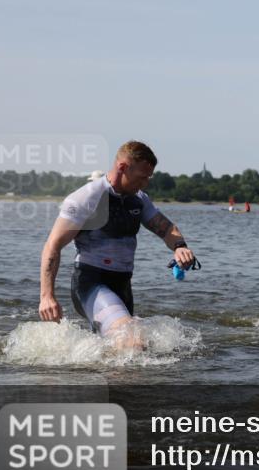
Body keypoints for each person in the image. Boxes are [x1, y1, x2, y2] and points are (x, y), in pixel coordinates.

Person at [38, 141, 197, 349]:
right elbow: (52, 245)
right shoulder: (87, 198)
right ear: (123, 168)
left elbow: (166, 228)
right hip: (90, 282)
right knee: (131, 341)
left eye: (149, 177)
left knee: (129, 348)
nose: (145, 183)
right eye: (142, 177)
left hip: (122, 284)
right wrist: (47, 296)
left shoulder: (139, 200)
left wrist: (180, 246)